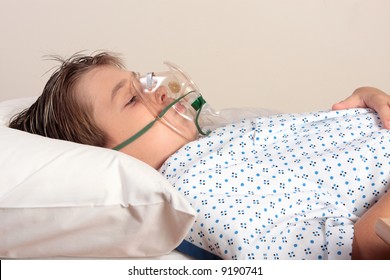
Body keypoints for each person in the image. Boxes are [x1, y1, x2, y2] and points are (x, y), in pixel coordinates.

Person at [8, 52, 390, 259]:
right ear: (104, 155)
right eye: (130, 98)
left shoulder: (221, 136)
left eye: (141, 79)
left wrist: (366, 99)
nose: (158, 89)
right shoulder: (195, 191)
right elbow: (364, 248)